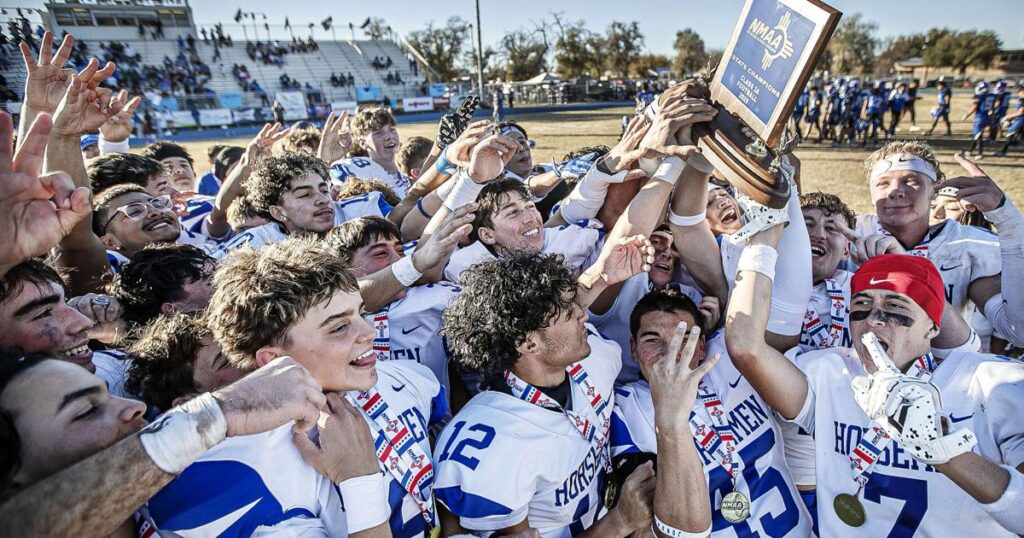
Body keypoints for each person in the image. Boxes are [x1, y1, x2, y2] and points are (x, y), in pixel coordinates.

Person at [726, 227, 1024, 535]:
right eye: (861, 305)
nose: (873, 318)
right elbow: (746, 348)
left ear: (933, 327)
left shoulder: (992, 383)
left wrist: (942, 450)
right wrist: (764, 239)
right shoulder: (830, 373)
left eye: (895, 306)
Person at [151, 237, 443, 537]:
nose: (368, 332)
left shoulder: (403, 378)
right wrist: (359, 481)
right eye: (338, 327)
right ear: (273, 360)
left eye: (361, 312)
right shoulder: (252, 470)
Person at [436, 244, 713, 538]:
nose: (583, 314)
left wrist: (602, 278)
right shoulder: (492, 446)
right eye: (568, 313)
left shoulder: (597, 356)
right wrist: (619, 521)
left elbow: (543, 319)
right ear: (528, 343)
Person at [610, 288, 814, 536]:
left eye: (684, 339)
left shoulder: (729, 356)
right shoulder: (623, 411)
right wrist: (670, 417)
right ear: (633, 348)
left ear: (701, 346)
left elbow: (787, 302)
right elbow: (665, 531)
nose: (670, 352)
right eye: (652, 340)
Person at [853, 142, 1024, 349]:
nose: (896, 191)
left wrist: (1007, 220)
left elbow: (1018, 332)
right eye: (883, 183)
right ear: (871, 193)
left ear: (935, 190)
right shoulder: (843, 234)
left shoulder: (968, 247)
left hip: (944, 366)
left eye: (911, 180)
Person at [219, 153, 392, 253]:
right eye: (305, 195)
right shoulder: (254, 243)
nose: (323, 200)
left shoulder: (362, 209)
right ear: (278, 212)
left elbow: (403, 221)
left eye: (324, 190)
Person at [329, 106, 412, 198]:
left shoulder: (412, 165)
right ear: (363, 143)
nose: (389, 136)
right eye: (379, 133)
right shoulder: (359, 172)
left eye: (391, 129)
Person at [964, 81, 996, 159]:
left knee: (978, 135)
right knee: (977, 135)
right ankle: (970, 150)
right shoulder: (991, 96)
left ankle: (980, 153)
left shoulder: (979, 96)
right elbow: (992, 108)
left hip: (980, 117)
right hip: (987, 117)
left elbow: (974, 107)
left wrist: (966, 115)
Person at [995, 84, 1024, 156]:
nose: (1018, 92)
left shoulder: (1022, 99)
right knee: (1019, 135)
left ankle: (1003, 151)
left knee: (1010, 133)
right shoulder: (1021, 98)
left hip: (1021, 120)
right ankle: (1007, 148)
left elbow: (1020, 112)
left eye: (1019, 91)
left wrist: (1008, 116)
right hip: (1020, 119)